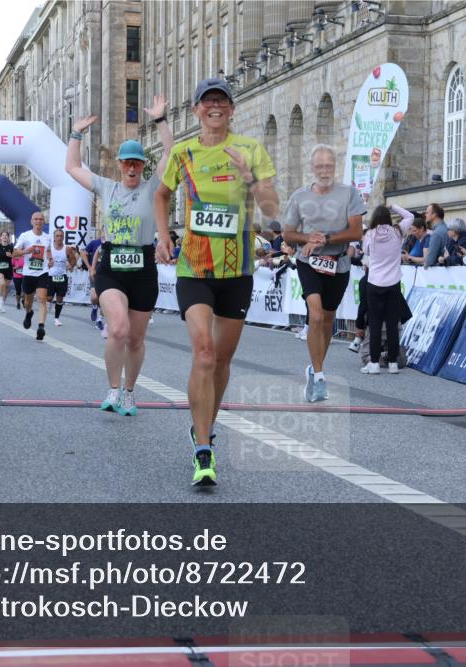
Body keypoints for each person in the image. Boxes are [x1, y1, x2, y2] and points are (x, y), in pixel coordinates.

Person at [154, 77, 278, 486]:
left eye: (222, 101)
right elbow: (161, 195)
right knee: (204, 354)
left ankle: (203, 423)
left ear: (232, 108)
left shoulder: (251, 150)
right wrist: (163, 236)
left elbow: (271, 208)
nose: (215, 107)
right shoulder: (183, 152)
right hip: (194, 268)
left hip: (237, 271)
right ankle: (203, 447)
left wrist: (251, 179)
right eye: (207, 101)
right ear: (196, 110)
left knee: (222, 361)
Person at [66, 95, 173, 415]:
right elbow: (72, 167)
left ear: (143, 166)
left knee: (136, 340)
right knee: (118, 329)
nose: (131, 167)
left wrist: (160, 120)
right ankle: (113, 389)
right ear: (119, 165)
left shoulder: (153, 188)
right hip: (112, 266)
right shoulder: (107, 187)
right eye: (126, 162)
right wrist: (76, 133)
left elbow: (170, 154)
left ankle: (129, 392)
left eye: (136, 162)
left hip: (143, 268)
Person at [282, 144, 365, 402]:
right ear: (312, 168)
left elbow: (356, 232)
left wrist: (325, 239)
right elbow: (288, 234)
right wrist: (308, 238)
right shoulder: (299, 197)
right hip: (308, 262)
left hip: (338, 263)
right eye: (320, 166)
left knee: (328, 320)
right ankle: (319, 376)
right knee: (315, 316)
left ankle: (315, 368)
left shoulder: (349, 194)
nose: (324, 171)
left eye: (329, 166)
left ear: (335, 167)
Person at [360, 203, 414, 374]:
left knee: (375, 324)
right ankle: (392, 363)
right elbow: (410, 216)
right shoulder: (397, 231)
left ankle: (374, 363)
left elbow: (366, 251)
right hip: (393, 283)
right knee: (392, 324)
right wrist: (394, 206)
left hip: (375, 282)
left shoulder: (370, 234)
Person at [14, 211, 52, 341]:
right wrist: (25, 251)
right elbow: (14, 252)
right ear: (31, 222)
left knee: (42, 299)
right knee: (28, 302)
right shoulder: (25, 236)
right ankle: (29, 313)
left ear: (44, 222)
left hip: (43, 272)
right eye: (36, 219)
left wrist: (50, 259)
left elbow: (48, 251)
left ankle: (41, 327)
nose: (38, 221)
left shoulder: (47, 238)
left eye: (41, 219)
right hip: (29, 273)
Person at [46, 228, 78, 326]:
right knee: (49, 298)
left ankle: (56, 318)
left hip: (62, 276)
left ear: (63, 237)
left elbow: (73, 260)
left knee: (60, 299)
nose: (59, 238)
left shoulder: (67, 249)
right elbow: (44, 261)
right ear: (54, 237)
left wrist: (71, 265)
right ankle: (46, 312)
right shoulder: (49, 248)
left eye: (61, 236)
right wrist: (48, 264)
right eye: (57, 236)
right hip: (50, 276)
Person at [0, 231, 14, 312]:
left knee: (6, 288)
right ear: (0, 237)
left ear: (8, 237)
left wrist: (11, 255)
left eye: (6, 235)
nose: (4, 237)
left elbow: (16, 257)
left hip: (8, 269)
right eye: (3, 235)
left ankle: (2, 303)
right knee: (2, 283)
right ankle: (0, 301)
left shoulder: (11, 247)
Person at [423, 203, 449, 268]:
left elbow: (430, 260)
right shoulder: (445, 228)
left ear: (434, 215)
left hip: (439, 270)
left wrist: (425, 265)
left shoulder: (436, 233)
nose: (425, 215)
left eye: (427, 212)